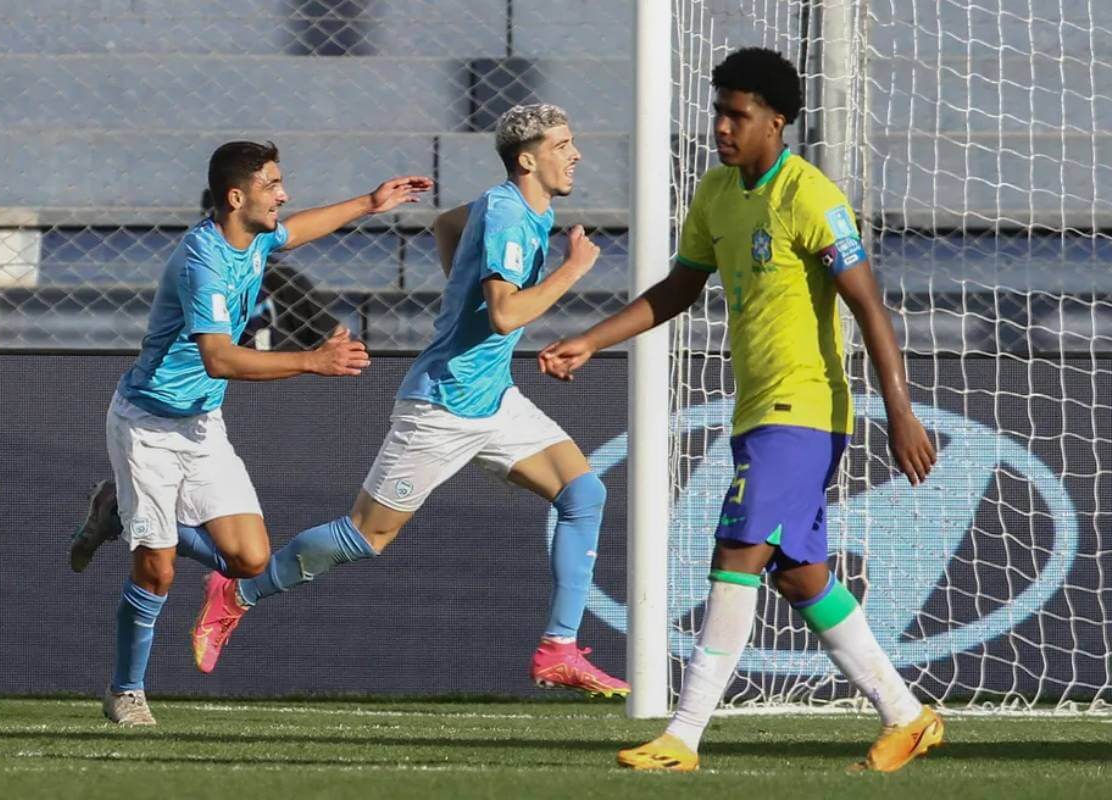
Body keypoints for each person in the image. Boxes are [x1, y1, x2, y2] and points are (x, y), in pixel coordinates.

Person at [538, 48, 943, 773]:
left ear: (776, 122)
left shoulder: (812, 197)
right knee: (797, 574)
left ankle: (682, 737)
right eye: (719, 112)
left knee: (736, 555)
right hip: (757, 410)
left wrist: (901, 412)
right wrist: (590, 340)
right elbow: (678, 289)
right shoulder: (718, 194)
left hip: (806, 408)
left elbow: (869, 307)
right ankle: (907, 716)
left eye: (738, 115)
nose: (723, 127)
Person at [188, 104, 630, 698]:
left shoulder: (516, 207)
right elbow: (503, 315)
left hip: (493, 400)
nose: (576, 153)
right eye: (564, 144)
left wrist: (461, 293)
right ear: (529, 159)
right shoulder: (508, 213)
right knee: (366, 537)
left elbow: (447, 223)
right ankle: (237, 592)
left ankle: (559, 649)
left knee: (584, 492)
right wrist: (573, 269)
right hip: (442, 405)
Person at [69, 140, 431, 725]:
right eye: (273, 185)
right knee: (156, 569)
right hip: (147, 424)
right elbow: (218, 358)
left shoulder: (256, 237)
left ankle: (118, 514)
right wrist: (312, 361)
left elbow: (299, 230)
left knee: (249, 560)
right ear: (237, 197)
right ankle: (125, 691)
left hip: (201, 424)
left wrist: (370, 202)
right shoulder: (201, 261)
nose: (284, 196)